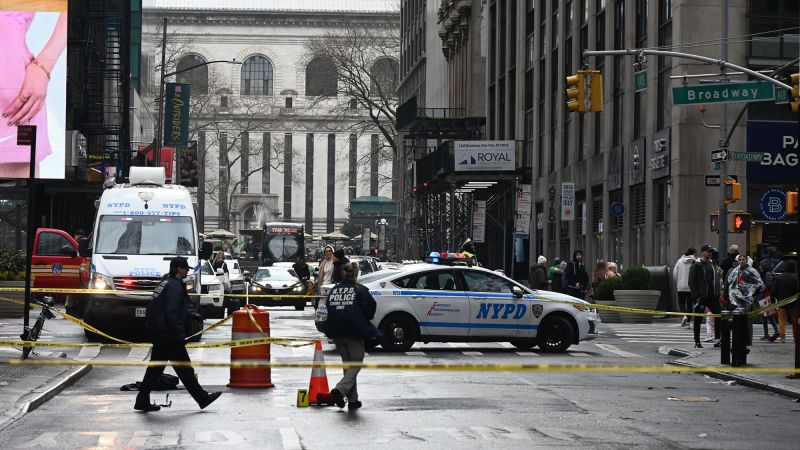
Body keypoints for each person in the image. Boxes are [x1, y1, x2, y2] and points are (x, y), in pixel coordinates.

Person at [135, 257, 221, 412]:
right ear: (178, 269)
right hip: (169, 334)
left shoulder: (165, 283)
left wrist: (190, 316)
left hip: (161, 332)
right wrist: (179, 333)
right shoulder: (174, 286)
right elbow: (172, 311)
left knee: (155, 370)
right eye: (185, 268)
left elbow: (164, 307)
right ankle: (202, 398)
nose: (187, 271)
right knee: (184, 369)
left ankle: (142, 400)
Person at [1, 11, 67, 178]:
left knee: (18, 199)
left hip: (12, 99)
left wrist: (44, 66)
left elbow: (79, 7)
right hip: (14, 93)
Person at [323, 262, 381, 409]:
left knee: (348, 365)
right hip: (354, 332)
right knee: (356, 362)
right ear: (356, 274)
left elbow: (328, 307)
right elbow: (370, 309)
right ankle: (340, 390)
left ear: (343, 273)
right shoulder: (360, 290)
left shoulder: (334, 290)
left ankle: (353, 400)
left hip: (336, 331)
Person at [688, 245, 721, 348]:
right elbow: (692, 282)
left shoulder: (712, 263)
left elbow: (715, 280)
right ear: (702, 252)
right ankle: (697, 342)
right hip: (701, 297)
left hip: (712, 296)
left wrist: (717, 293)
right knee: (698, 319)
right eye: (708, 251)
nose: (710, 253)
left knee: (719, 315)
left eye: (711, 251)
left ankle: (718, 340)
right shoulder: (696, 265)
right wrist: (697, 297)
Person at [773, 260, 799, 345]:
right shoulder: (796, 277)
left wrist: (773, 300)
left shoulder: (779, 277)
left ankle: (782, 338)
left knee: (781, 321)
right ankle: (796, 338)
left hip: (781, 302)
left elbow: (774, 290)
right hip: (793, 303)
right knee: (795, 321)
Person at [673, 247, 697, 327]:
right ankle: (688, 322)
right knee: (690, 304)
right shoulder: (695, 262)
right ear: (693, 253)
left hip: (681, 286)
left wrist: (678, 282)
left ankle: (684, 316)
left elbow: (675, 274)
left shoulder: (680, 261)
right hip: (691, 287)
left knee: (681, 303)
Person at [756, 260, 779, 340]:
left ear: (765, 266)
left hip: (765, 298)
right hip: (765, 298)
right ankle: (768, 333)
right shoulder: (767, 273)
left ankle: (776, 330)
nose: (760, 267)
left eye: (761, 265)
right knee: (766, 316)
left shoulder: (767, 274)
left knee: (768, 316)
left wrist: (762, 288)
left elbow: (768, 285)